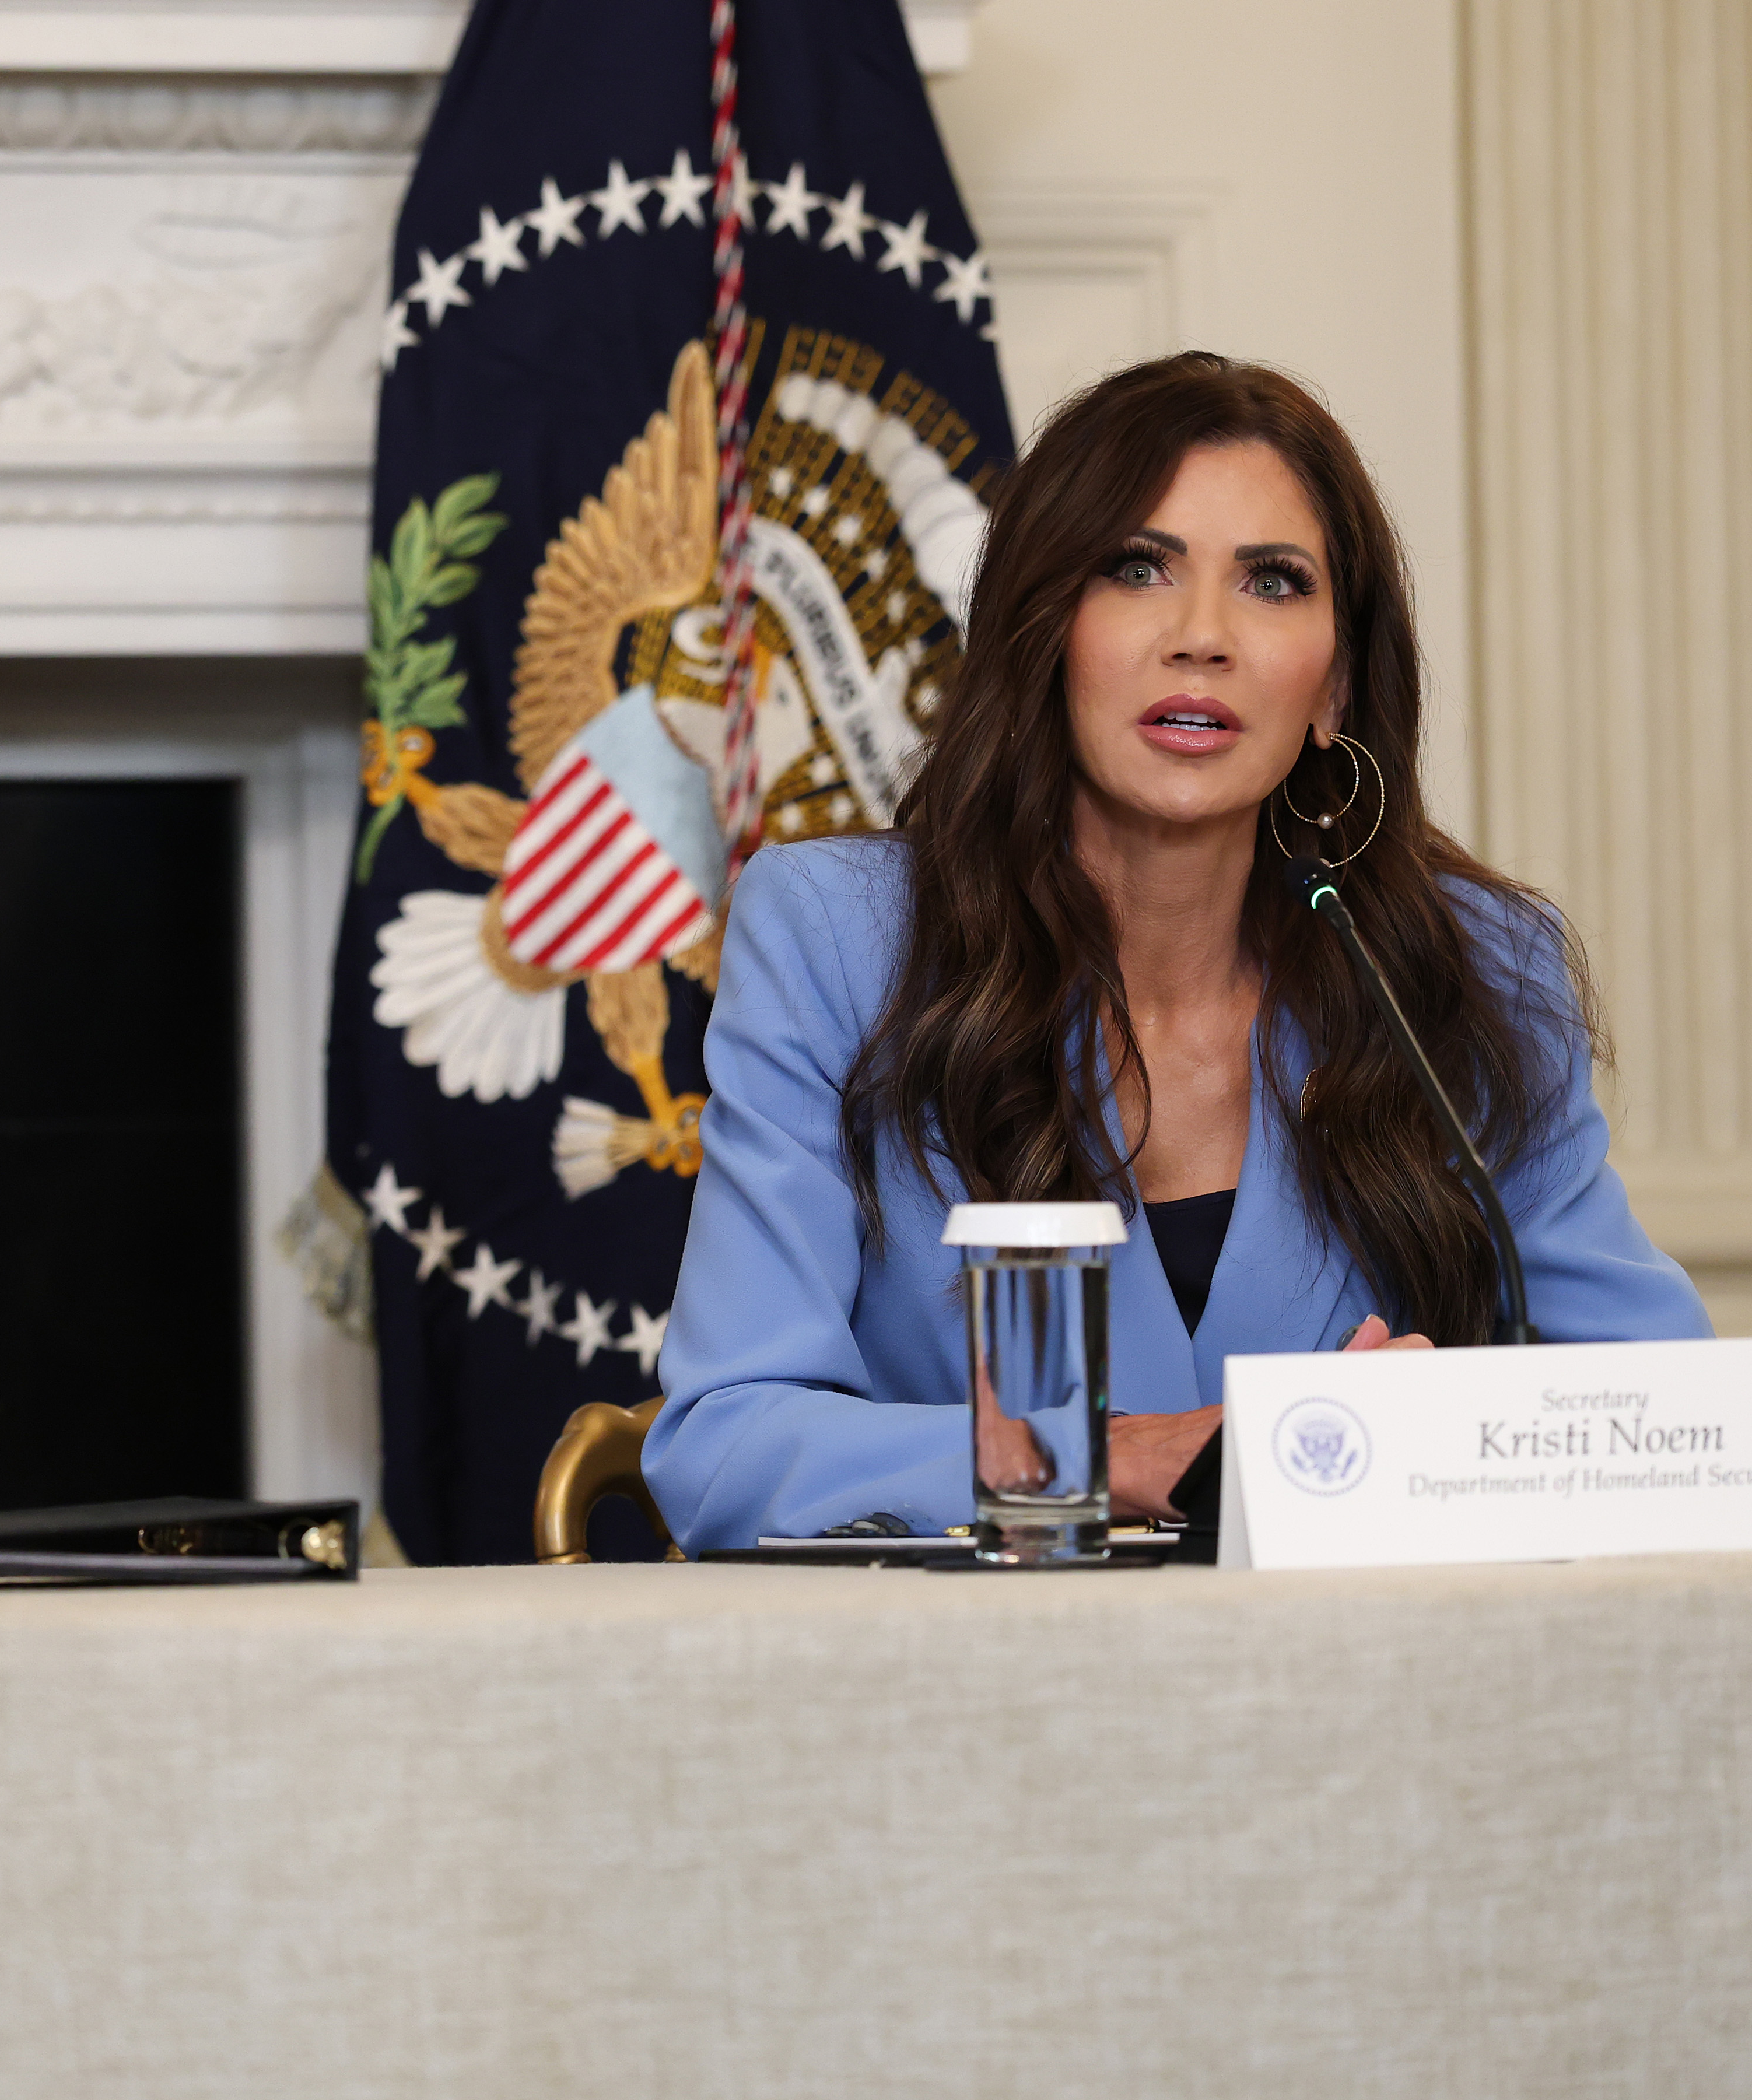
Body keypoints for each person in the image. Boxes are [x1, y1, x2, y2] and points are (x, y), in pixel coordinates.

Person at [646, 354, 1707, 1551]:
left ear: (1334, 686)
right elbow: (724, 1444)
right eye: (1137, 568)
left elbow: (1657, 1414)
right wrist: (1103, 1458)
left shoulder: (1470, 970)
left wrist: (1430, 1435)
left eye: (1272, 582)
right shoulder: (836, 939)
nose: (1202, 636)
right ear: (1046, 629)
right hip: (970, 1662)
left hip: (1363, 1662)